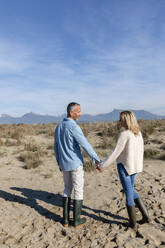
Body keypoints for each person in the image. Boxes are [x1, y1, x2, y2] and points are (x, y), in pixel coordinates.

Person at [97, 110, 150, 230]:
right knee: (129, 190)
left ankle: (133, 224)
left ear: (126, 120)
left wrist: (102, 166)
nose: (119, 121)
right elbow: (140, 151)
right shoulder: (138, 133)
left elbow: (115, 153)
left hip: (125, 166)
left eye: (121, 119)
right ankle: (146, 216)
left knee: (128, 193)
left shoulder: (125, 134)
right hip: (135, 167)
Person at [54, 102, 101, 228]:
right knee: (78, 190)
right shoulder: (73, 126)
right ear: (71, 112)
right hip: (75, 164)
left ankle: (65, 220)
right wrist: (96, 159)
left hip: (64, 164)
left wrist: (59, 162)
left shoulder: (58, 127)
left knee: (67, 189)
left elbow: (56, 148)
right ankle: (76, 220)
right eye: (78, 111)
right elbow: (84, 144)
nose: (80, 113)